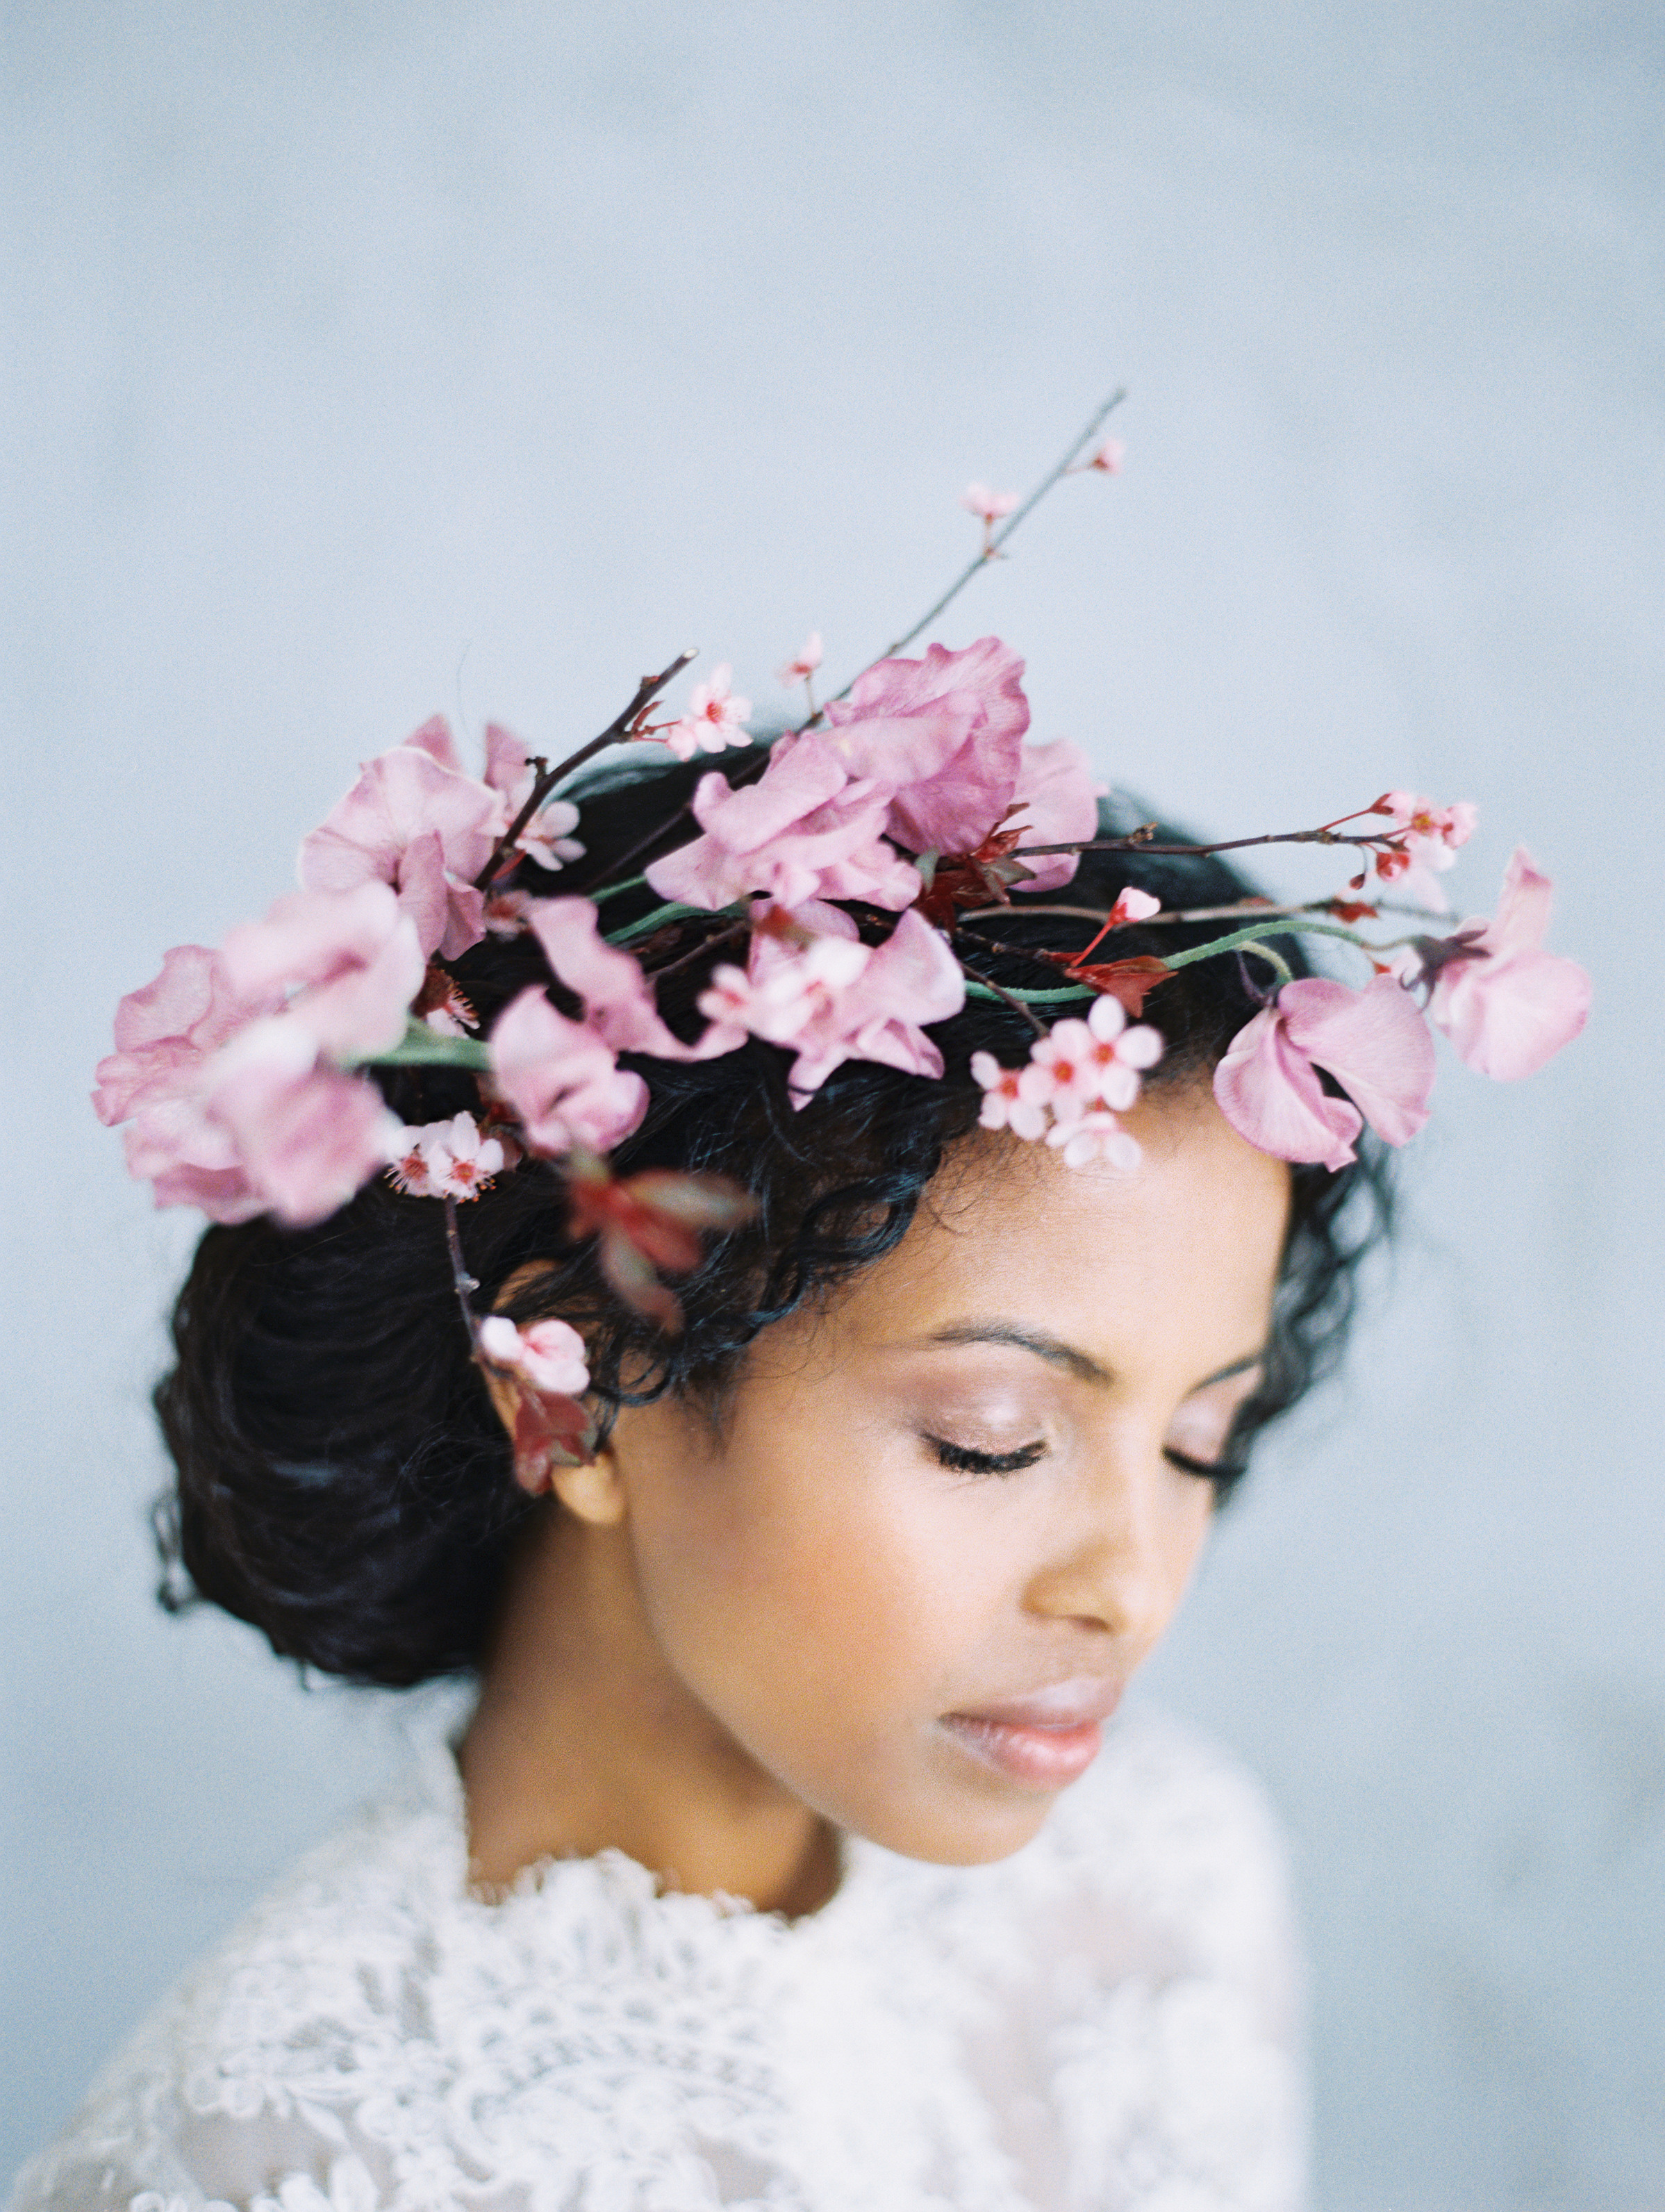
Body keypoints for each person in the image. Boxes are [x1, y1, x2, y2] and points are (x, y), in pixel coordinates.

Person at [16, 622, 1583, 2211]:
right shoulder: (270, 2155)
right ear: (571, 1379)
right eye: (992, 1432)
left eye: (1200, 1440)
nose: (1131, 1584)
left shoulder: (1161, 1886)